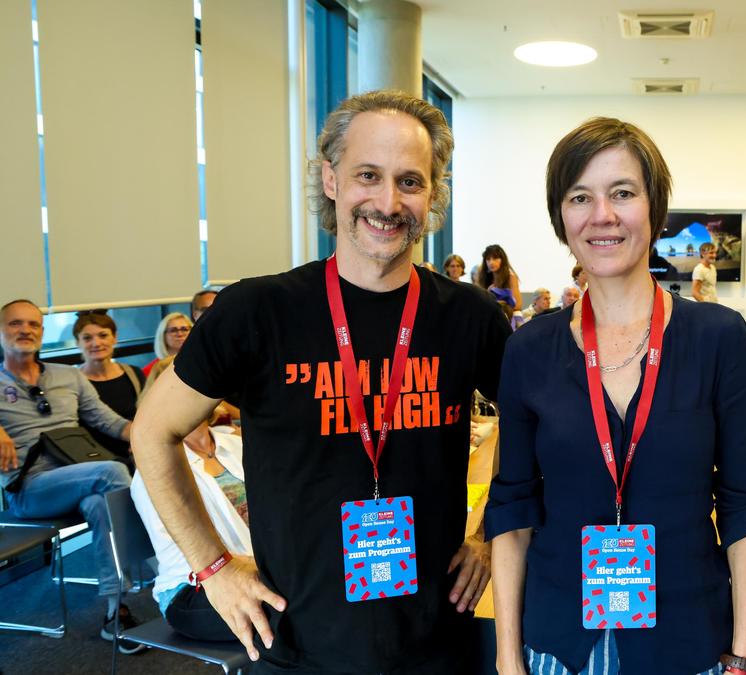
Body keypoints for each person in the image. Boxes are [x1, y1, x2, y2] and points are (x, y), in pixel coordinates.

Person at [132, 90, 511, 672]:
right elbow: (152, 432)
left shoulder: (470, 316)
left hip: (436, 636)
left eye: (410, 181)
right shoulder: (256, 311)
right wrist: (212, 568)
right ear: (331, 180)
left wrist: (487, 535)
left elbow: (528, 422)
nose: (387, 202)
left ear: (432, 194)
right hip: (297, 639)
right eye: (367, 175)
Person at [488, 117, 746, 675]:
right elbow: (513, 510)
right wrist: (508, 660)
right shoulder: (529, 350)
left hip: (687, 636)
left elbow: (743, 506)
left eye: (622, 193)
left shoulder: (719, 338)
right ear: (562, 218)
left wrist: (744, 657)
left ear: (655, 209)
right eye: (580, 197)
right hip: (558, 643)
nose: (603, 215)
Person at [0, 299, 144, 652]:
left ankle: (115, 610)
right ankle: (162, 564)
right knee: (113, 471)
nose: (25, 330)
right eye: (16, 324)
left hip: (80, 479)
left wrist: (156, 435)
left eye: (33, 324)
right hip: (29, 490)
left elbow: (108, 421)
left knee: (99, 503)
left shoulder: (68, 376)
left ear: (42, 332)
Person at [130, 413, 250, 641]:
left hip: (255, 569)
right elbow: (187, 557)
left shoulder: (236, 442)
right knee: (291, 608)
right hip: (192, 588)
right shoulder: (154, 468)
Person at [74, 311, 144, 464]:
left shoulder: (133, 374)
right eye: (87, 338)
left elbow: (149, 414)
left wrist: (142, 443)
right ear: (77, 343)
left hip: (138, 454)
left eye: (103, 335)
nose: (96, 343)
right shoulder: (73, 383)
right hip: (96, 461)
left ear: (115, 337)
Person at [142, 312, 192, 377]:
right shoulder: (150, 370)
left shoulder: (200, 361)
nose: (180, 334)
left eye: (184, 329)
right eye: (173, 330)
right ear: (163, 335)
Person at [475, 244, 523, 309]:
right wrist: (487, 294)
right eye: (488, 259)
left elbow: (517, 305)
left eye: (495, 258)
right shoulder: (482, 277)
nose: (491, 262)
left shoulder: (510, 277)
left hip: (508, 316)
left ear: (502, 260)